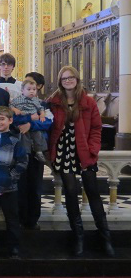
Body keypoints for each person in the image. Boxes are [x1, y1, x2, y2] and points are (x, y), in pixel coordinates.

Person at [47, 66, 114, 257]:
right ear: (60, 81)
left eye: (71, 78)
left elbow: (96, 128)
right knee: (70, 193)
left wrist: (93, 149)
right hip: (63, 152)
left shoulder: (88, 101)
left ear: (77, 79)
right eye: (64, 78)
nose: (68, 81)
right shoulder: (54, 101)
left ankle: (105, 239)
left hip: (83, 152)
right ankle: (78, 238)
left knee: (93, 193)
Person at [0, 106, 28, 259]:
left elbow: (22, 163)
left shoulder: (15, 142)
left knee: (12, 219)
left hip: (9, 188)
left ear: (10, 120)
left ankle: (14, 246)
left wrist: (10, 178)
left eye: (2, 119)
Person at [15, 72, 53, 230]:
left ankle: (32, 219)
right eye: (28, 86)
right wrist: (30, 119)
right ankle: (20, 216)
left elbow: (48, 122)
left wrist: (30, 125)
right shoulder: (18, 102)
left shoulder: (43, 104)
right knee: (21, 185)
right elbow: (14, 121)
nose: (32, 89)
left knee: (35, 186)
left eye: (34, 86)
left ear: (38, 88)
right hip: (21, 150)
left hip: (36, 152)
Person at [10, 79, 48, 162]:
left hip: (34, 120)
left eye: (34, 89)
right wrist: (15, 109)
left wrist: (42, 114)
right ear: (22, 90)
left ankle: (39, 151)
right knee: (24, 136)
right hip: (22, 119)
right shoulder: (18, 99)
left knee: (38, 134)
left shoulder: (36, 100)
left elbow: (40, 108)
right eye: (29, 89)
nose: (32, 91)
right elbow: (11, 105)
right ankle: (26, 153)